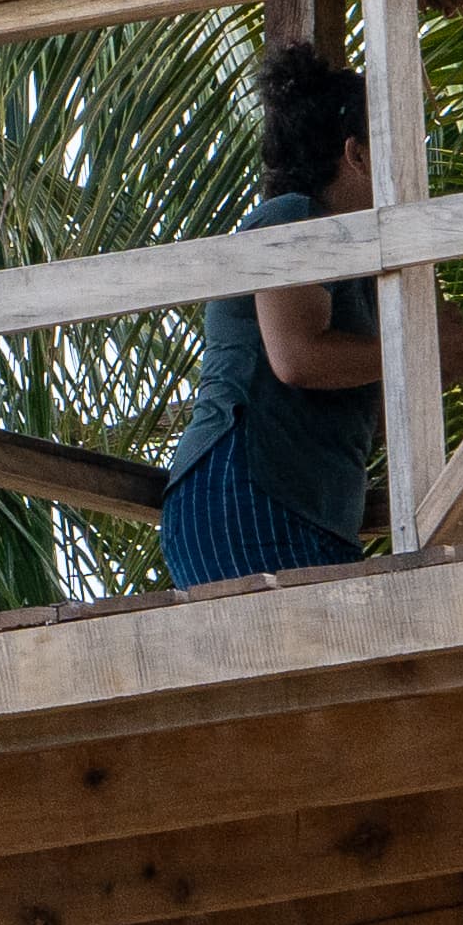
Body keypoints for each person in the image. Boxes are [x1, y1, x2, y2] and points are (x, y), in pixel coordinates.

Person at [163, 37, 400, 587]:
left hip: (311, 513)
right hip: (246, 495)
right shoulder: (292, 217)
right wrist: (421, 348)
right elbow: (297, 357)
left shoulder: (361, 271)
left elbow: (363, 414)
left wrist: (436, 360)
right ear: (357, 154)